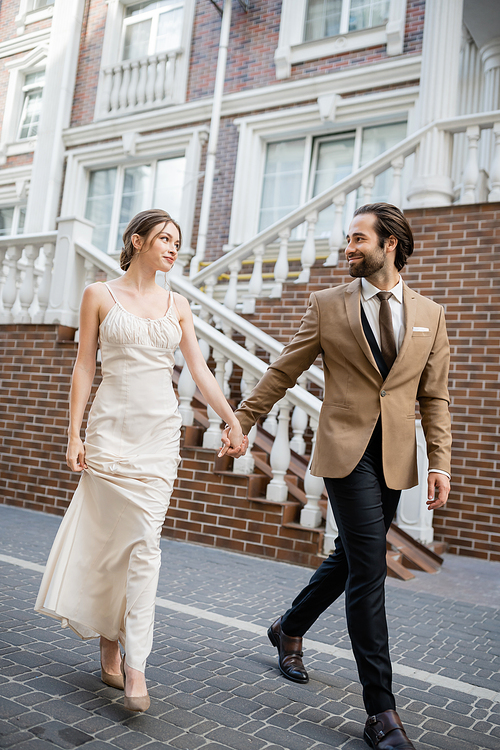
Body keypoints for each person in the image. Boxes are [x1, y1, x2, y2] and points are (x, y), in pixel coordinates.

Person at [222, 203, 452, 750]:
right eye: (347, 239)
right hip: (347, 454)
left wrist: (439, 460)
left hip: (395, 455)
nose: (347, 248)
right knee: (368, 571)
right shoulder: (328, 305)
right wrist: (243, 421)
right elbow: (284, 368)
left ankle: (288, 627)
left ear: (389, 243)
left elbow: (434, 396)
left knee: (351, 555)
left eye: (356, 239)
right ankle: (382, 713)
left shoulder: (429, 313)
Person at [35, 209, 247, 713]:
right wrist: (74, 434)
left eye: (178, 242)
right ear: (137, 241)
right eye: (165, 239)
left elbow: (199, 368)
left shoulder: (178, 305)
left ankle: (137, 665)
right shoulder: (98, 296)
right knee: (111, 545)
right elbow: (84, 364)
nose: (174, 249)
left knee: (145, 546)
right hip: (109, 434)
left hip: (158, 439)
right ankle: (109, 638)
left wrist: (232, 419)